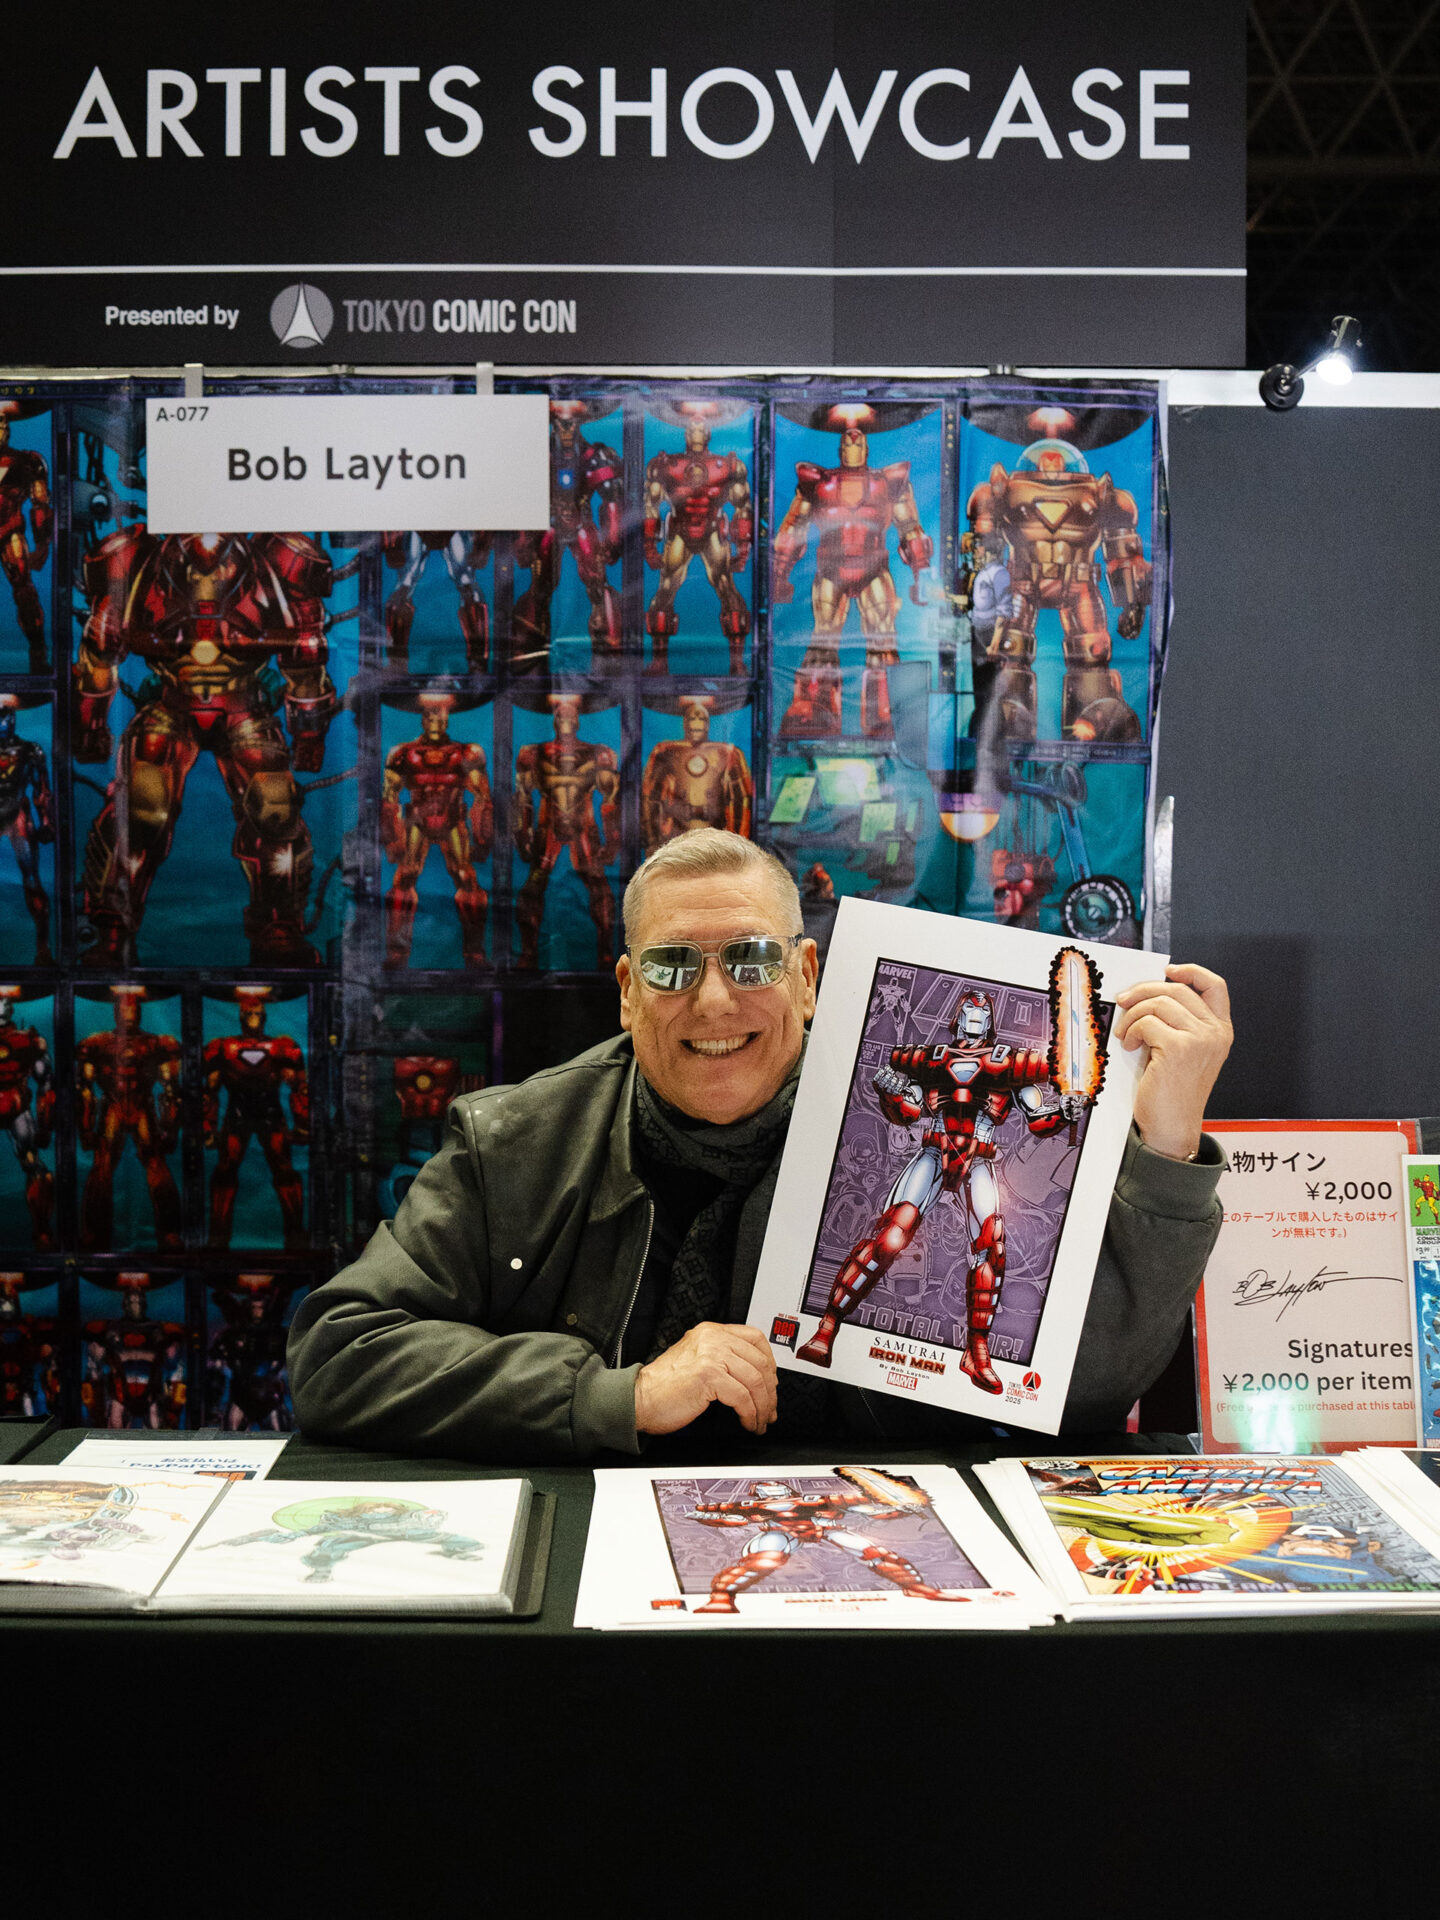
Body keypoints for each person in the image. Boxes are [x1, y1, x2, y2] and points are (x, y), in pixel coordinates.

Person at [289, 830, 1233, 1461]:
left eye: (750, 960)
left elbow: (1086, 1390)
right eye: (671, 966)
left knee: (972, 1244)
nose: (713, 1001)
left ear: (808, 976)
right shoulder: (517, 1143)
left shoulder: (875, 1115)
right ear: (626, 992)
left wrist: (1166, 1136)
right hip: (588, 1592)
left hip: (873, 1590)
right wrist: (615, 1397)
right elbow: (339, 1354)